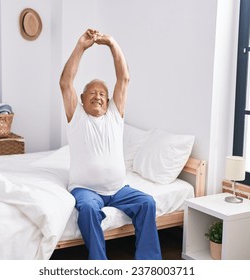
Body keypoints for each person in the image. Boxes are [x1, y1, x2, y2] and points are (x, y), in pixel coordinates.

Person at [59, 28, 162, 260]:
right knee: (87, 210)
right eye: (92, 93)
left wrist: (112, 43)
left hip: (119, 190)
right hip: (86, 190)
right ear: (82, 99)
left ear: (108, 101)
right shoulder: (77, 117)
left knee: (147, 202)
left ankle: (148, 263)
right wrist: (80, 47)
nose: (98, 96)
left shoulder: (115, 115)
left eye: (103, 94)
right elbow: (65, 82)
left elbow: (124, 78)